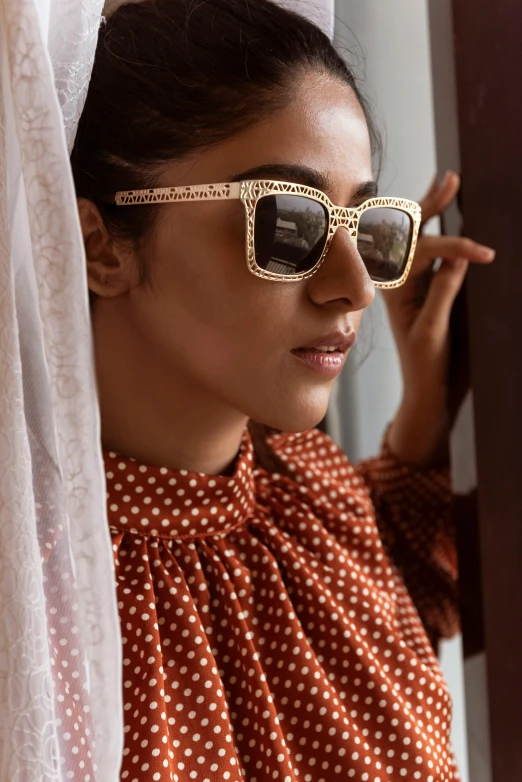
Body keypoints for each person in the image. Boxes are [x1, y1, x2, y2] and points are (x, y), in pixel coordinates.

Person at [71, 0, 495, 779]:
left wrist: (425, 416)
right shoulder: (44, 588)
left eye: (365, 227)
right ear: (100, 249)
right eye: (289, 224)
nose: (357, 288)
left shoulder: (312, 496)